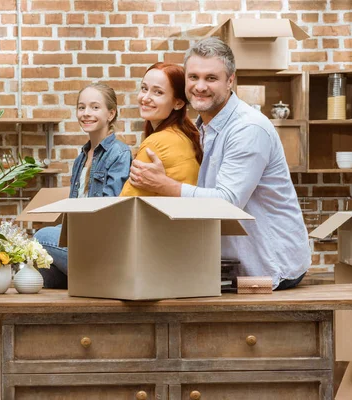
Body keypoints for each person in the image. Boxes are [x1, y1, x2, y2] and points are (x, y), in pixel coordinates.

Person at [128, 37, 310, 290]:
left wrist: (164, 185)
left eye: (211, 78)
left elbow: (227, 203)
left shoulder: (247, 128)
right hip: (231, 266)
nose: (200, 86)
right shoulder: (203, 128)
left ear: (230, 80)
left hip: (269, 268)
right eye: (193, 77)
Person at [34, 82, 132, 288]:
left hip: (100, 244)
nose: (86, 113)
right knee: (36, 272)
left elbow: (111, 210)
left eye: (95, 107)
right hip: (78, 238)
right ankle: (87, 282)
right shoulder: (81, 158)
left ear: (111, 114)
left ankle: (102, 276)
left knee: (41, 237)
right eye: (81, 107)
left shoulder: (119, 153)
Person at [120, 62, 202, 196]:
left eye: (158, 92)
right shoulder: (184, 135)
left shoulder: (156, 143)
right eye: (144, 88)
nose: (145, 98)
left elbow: (125, 205)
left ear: (178, 103)